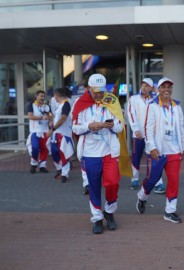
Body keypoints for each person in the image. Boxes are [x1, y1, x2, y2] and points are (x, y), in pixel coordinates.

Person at [72, 73, 125, 234]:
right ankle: (97, 218)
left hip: (109, 151)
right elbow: (75, 127)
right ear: (88, 89)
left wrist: (111, 126)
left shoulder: (112, 101)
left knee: (112, 183)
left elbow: (120, 127)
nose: (99, 94)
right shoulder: (80, 103)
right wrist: (90, 126)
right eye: (96, 91)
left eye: (102, 91)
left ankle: (109, 212)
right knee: (94, 187)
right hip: (90, 153)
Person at [136, 77, 184, 223]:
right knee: (152, 180)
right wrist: (151, 147)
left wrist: (183, 147)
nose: (166, 89)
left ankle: (170, 211)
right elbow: (148, 128)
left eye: (169, 87)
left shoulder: (177, 107)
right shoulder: (152, 106)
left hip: (174, 150)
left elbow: (181, 128)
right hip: (157, 151)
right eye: (163, 87)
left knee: (174, 181)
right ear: (158, 89)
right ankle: (142, 196)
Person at [126, 78, 166, 193]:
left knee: (155, 157)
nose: (144, 87)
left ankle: (158, 182)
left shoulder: (155, 99)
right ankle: (134, 179)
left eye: (147, 86)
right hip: (138, 134)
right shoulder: (133, 99)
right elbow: (130, 114)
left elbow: (162, 97)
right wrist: (135, 129)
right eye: (143, 85)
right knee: (136, 157)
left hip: (151, 135)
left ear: (151, 88)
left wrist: (156, 90)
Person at [48, 87, 74, 183]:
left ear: (57, 95)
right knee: (54, 152)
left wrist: (52, 128)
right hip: (56, 133)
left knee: (64, 153)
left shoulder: (66, 104)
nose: (54, 97)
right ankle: (60, 169)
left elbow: (63, 118)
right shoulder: (60, 105)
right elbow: (57, 117)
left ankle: (65, 174)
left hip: (64, 134)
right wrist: (52, 121)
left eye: (54, 95)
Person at [26, 90, 52, 174]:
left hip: (45, 130)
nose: (42, 98)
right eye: (41, 96)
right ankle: (33, 164)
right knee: (35, 147)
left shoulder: (47, 106)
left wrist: (50, 120)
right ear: (36, 96)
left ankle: (42, 166)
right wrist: (41, 118)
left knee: (45, 149)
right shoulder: (32, 105)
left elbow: (51, 115)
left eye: (43, 96)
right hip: (35, 131)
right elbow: (30, 116)